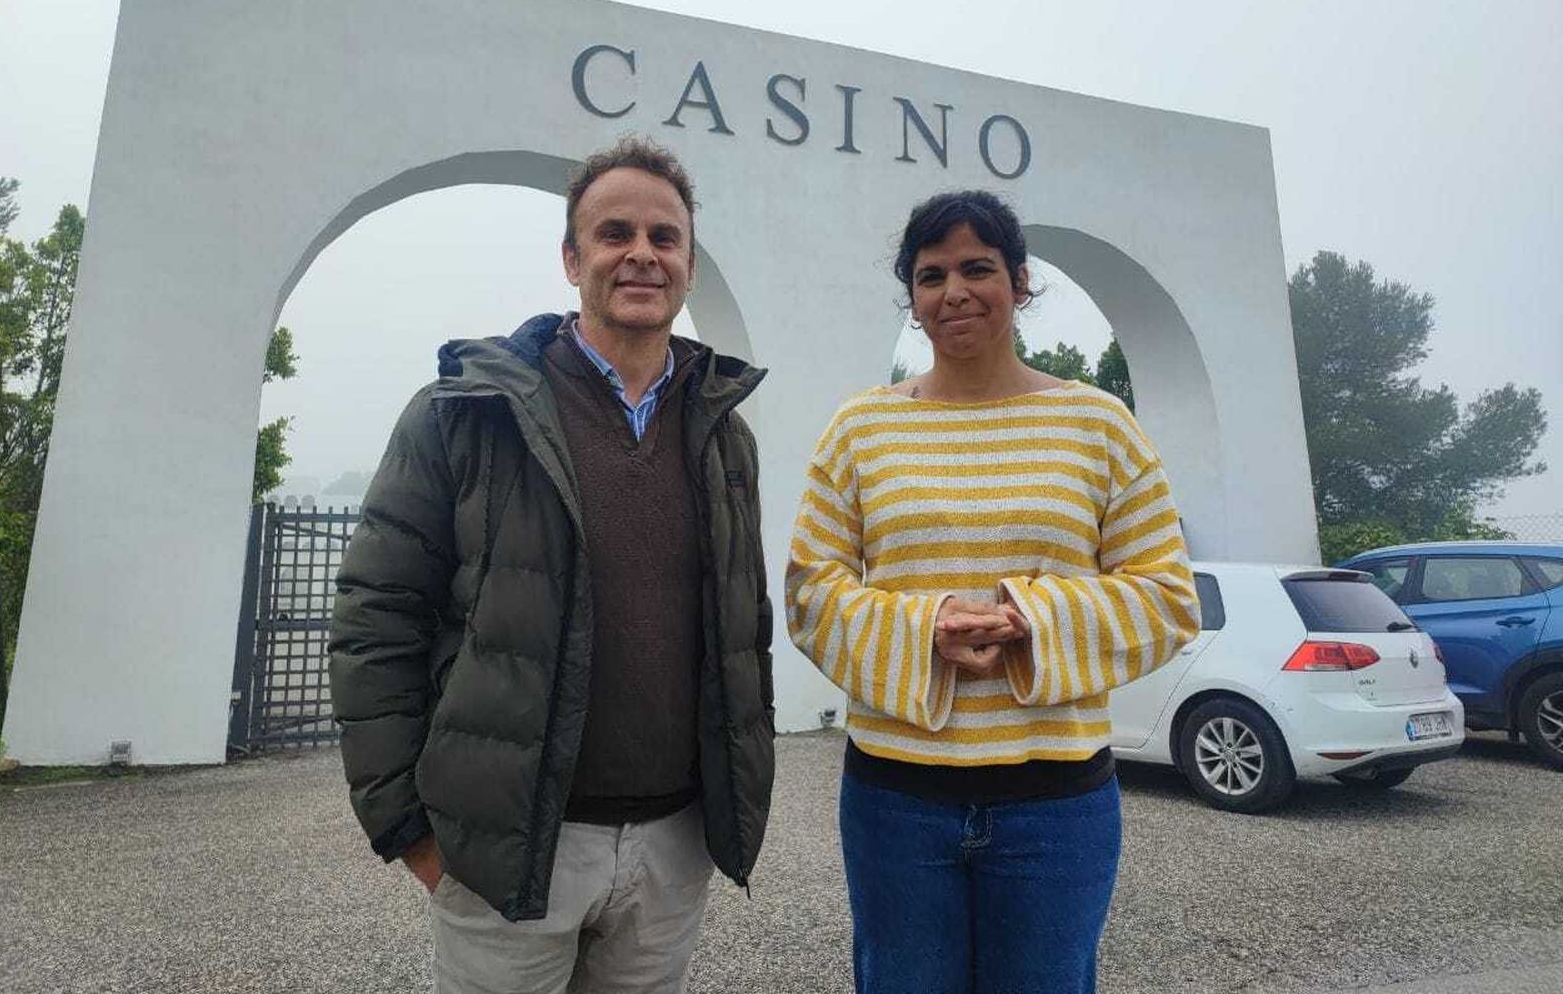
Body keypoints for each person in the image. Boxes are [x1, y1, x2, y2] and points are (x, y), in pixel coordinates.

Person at [329, 136, 775, 994]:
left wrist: (732, 811)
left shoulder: (725, 432)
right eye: (615, 234)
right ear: (572, 260)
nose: (642, 253)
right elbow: (375, 619)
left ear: (686, 266)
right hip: (508, 849)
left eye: (665, 237)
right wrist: (408, 829)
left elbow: (741, 627)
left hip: (672, 845)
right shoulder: (464, 415)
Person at [786, 190, 1200, 994]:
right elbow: (811, 592)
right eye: (931, 274)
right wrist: (925, 628)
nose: (954, 291)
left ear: (1021, 281)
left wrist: (1033, 621)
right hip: (895, 800)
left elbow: (1167, 595)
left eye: (978, 268)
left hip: (1057, 808)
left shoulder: (1099, 424)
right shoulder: (859, 429)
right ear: (911, 297)